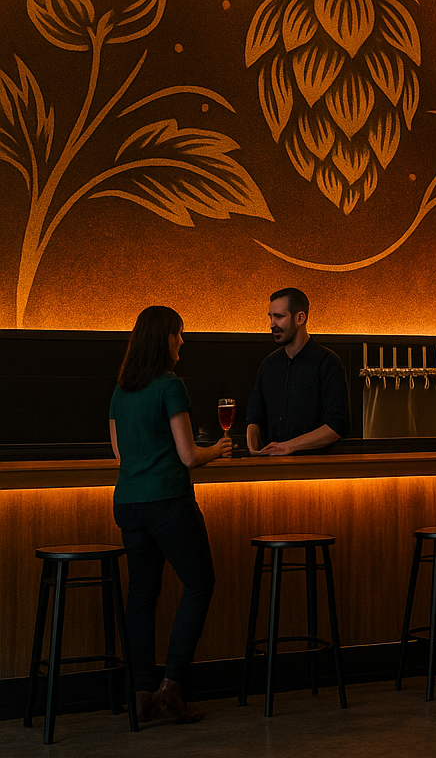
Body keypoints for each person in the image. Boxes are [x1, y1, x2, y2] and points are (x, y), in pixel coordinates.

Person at [108, 305, 232, 724]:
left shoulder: (121, 390)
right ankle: (171, 688)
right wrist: (218, 450)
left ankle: (142, 692)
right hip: (167, 502)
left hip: (128, 503)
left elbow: (120, 454)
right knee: (199, 583)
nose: (182, 341)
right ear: (164, 339)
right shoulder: (170, 385)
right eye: (178, 333)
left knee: (142, 597)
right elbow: (189, 456)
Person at [246, 288, 349, 455]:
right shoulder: (269, 365)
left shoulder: (328, 363)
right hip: (273, 464)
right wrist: (253, 448)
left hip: (314, 465)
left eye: (279, 317)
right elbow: (254, 417)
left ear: (300, 318)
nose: (272, 324)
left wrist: (289, 446)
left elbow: (337, 426)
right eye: (271, 317)